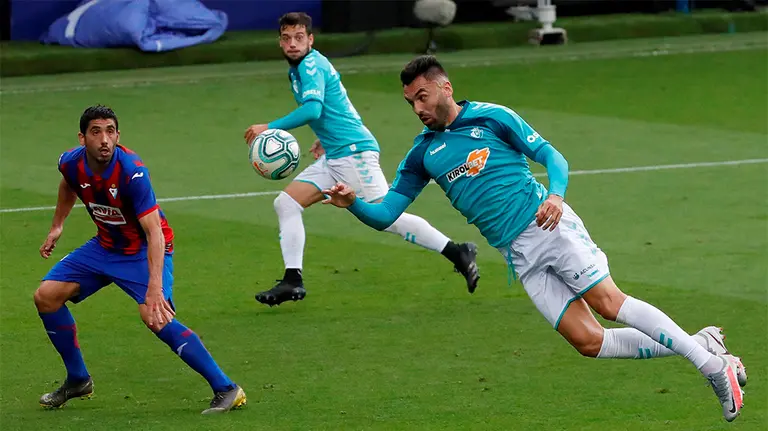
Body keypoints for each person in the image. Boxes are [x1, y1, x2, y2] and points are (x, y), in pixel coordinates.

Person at [321, 55, 748, 422]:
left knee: (609, 303)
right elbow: (386, 214)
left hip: (547, 225)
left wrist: (557, 197)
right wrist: (354, 202)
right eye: (410, 101)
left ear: (444, 87)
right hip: (518, 254)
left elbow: (550, 155)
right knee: (588, 342)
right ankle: (702, 345)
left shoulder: (492, 116)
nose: (417, 108)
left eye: (422, 96)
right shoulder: (421, 153)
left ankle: (712, 368)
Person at [244, 12, 479, 307]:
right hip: (337, 153)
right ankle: (293, 279)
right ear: (280, 41)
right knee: (286, 203)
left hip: (354, 154)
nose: (293, 43)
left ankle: (457, 252)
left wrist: (269, 127)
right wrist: (325, 136)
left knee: (386, 217)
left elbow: (313, 109)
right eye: (287, 38)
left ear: (310, 40)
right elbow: (334, 107)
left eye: (299, 37)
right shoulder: (302, 67)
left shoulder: (310, 65)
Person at [35, 105, 246, 414]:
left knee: (155, 316)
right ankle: (78, 380)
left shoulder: (132, 172)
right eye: (96, 132)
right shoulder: (69, 162)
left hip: (142, 250)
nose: (104, 139)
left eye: (110, 131)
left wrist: (155, 288)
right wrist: (57, 225)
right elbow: (69, 184)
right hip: (105, 247)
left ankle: (227, 388)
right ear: (82, 139)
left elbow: (155, 233)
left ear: (118, 136)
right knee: (46, 297)